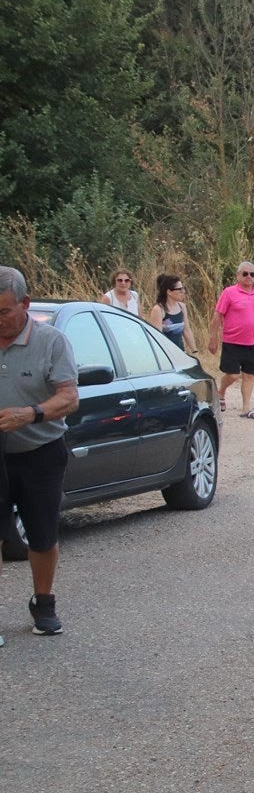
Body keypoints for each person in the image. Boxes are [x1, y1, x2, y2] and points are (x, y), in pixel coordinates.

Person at [0, 266, 80, 642]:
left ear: (25, 304)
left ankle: (44, 603)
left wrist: (29, 414)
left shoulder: (52, 341)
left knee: (42, 534)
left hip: (40, 451)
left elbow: (69, 397)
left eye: (4, 312)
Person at [207, 261, 254, 419]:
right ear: (238, 275)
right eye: (245, 273)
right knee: (233, 375)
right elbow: (217, 315)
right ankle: (221, 391)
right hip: (232, 342)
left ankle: (246, 408)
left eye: (252, 274)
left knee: (250, 375)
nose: (249, 277)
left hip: (253, 342)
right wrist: (213, 338)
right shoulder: (229, 292)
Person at [148, 273, 197, 353]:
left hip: (180, 352)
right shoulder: (158, 309)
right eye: (180, 289)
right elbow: (157, 337)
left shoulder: (182, 307)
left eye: (183, 288)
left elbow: (186, 330)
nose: (183, 291)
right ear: (169, 292)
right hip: (165, 354)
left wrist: (195, 351)